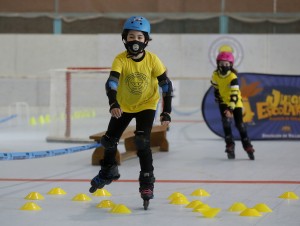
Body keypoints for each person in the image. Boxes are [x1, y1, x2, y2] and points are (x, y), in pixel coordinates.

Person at [89, 16, 173, 209]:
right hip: (124, 106)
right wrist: (113, 103)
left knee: (142, 142)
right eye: (131, 36)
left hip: (147, 105)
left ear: (146, 40)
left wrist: (166, 111)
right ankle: (109, 170)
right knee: (109, 140)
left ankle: (147, 182)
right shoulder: (120, 59)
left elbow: (166, 85)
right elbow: (112, 82)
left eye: (139, 37)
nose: (135, 41)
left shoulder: (153, 60)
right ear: (125, 39)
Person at [211, 51, 255, 160]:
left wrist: (230, 109)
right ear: (218, 64)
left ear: (231, 65)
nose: (224, 66)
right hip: (223, 102)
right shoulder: (215, 75)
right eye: (222, 63)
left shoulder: (232, 76)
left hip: (236, 102)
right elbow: (216, 88)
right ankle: (230, 144)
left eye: (227, 64)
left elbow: (234, 95)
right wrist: (218, 98)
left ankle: (247, 145)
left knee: (240, 125)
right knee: (226, 123)